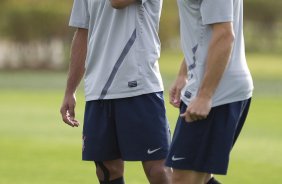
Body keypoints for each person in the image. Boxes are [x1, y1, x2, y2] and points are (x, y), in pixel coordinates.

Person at [60, 0, 171, 184]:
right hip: (98, 90)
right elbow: (82, 31)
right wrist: (70, 90)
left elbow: (117, 2)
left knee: (159, 170)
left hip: (140, 86)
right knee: (107, 171)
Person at [165, 0, 254, 183]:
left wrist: (205, 95)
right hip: (214, 86)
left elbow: (224, 35)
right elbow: (203, 31)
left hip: (218, 91)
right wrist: (185, 72)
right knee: (200, 178)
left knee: (183, 178)